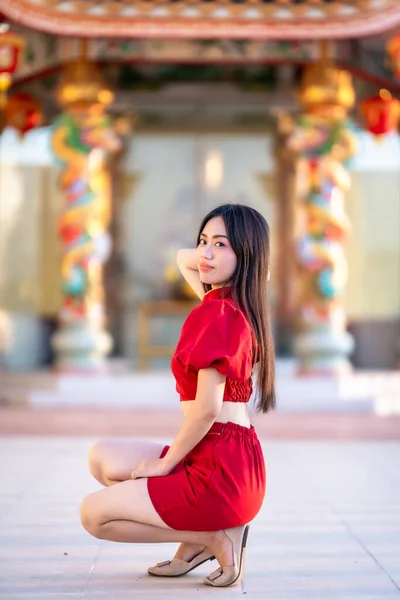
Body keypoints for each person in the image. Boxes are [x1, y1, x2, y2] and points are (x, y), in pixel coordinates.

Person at [80, 203, 276, 588]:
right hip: (231, 458)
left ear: (247, 255)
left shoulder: (220, 313)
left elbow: (206, 410)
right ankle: (198, 539)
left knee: (92, 515)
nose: (204, 254)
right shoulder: (231, 303)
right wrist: (229, 251)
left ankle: (215, 538)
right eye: (203, 241)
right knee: (103, 459)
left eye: (220, 245)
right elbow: (183, 259)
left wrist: (166, 463)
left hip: (220, 472)